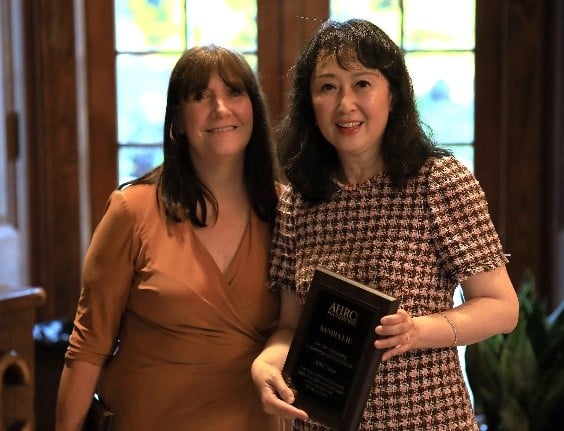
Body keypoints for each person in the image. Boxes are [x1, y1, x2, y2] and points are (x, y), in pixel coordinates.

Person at [251, 19, 519, 431]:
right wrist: (267, 363)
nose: (345, 104)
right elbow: (291, 326)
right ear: (310, 104)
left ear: (392, 95)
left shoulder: (439, 182)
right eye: (327, 87)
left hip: (427, 420)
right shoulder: (299, 202)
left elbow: (502, 308)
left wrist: (417, 330)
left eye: (362, 83)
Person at [56, 45, 284, 431]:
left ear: (254, 109)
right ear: (177, 120)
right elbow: (87, 349)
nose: (220, 108)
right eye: (200, 96)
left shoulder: (286, 211)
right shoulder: (132, 210)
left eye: (234, 92)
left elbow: (296, 329)